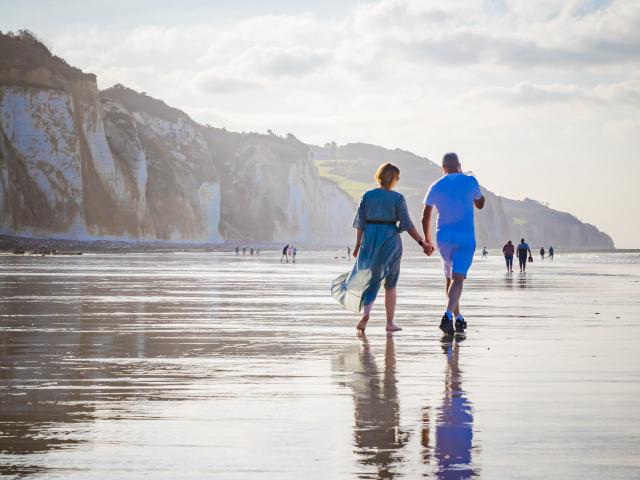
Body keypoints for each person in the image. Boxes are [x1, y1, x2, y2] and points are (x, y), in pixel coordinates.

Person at [332, 162, 429, 332]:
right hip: (390, 241)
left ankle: (366, 313)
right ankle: (389, 323)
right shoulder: (397, 198)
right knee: (390, 284)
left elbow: (360, 223)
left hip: (370, 239)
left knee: (373, 279)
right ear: (392, 178)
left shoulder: (367, 196)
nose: (397, 180)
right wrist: (422, 243)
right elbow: (407, 224)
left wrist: (357, 245)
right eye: (397, 178)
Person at [422, 152, 485, 336]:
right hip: (465, 238)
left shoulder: (436, 185)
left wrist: (427, 240)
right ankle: (448, 315)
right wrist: (478, 195)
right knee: (458, 279)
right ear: (459, 165)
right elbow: (480, 204)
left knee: (450, 279)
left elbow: (425, 216)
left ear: (443, 168)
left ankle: (458, 318)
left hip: (444, 239)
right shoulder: (470, 180)